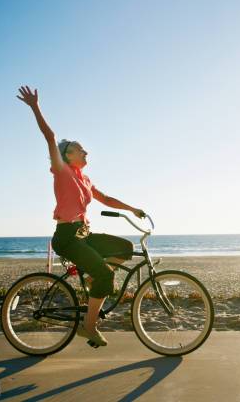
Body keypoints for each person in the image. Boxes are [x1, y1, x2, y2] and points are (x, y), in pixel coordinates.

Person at [17, 85, 145, 347]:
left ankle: (91, 276)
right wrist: (35, 107)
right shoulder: (61, 170)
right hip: (67, 237)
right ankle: (89, 327)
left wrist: (132, 209)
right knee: (107, 277)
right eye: (80, 149)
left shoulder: (84, 179)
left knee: (126, 247)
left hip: (83, 236)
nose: (86, 152)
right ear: (68, 155)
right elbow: (50, 137)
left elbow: (106, 199)